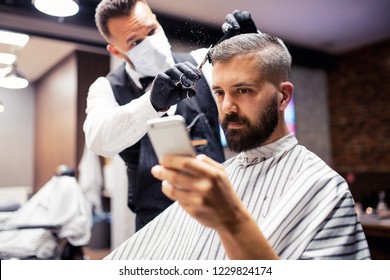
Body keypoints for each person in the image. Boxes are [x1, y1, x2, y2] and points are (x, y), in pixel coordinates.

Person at [104, 32, 371, 260]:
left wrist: (230, 219)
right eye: (219, 93)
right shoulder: (222, 175)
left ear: (283, 96)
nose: (227, 107)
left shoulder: (325, 187)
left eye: (243, 90)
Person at [83, 0, 258, 231]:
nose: (150, 44)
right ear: (116, 50)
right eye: (135, 42)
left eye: (152, 31)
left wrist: (254, 47)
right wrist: (151, 103)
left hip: (218, 210)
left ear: (157, 21)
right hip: (154, 225)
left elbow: (256, 91)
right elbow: (98, 141)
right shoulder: (106, 88)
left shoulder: (202, 62)